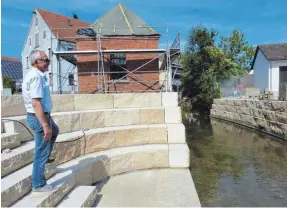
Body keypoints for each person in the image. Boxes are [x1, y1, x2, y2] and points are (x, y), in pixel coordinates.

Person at [22, 50, 59, 192]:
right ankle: (39, 184)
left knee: (55, 131)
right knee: (40, 151)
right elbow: (36, 103)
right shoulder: (36, 77)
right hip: (39, 118)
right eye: (45, 60)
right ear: (35, 62)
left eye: (48, 60)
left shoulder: (37, 75)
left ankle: (45, 156)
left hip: (42, 116)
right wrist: (45, 125)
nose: (48, 62)